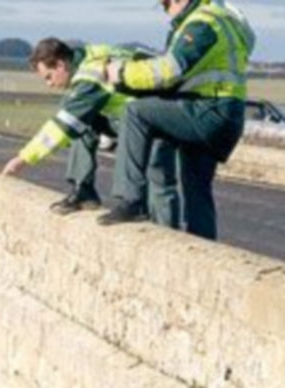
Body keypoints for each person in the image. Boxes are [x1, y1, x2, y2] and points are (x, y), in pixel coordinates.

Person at [99, 0, 256, 239]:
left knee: (136, 112)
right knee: (196, 188)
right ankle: (202, 245)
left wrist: (121, 72)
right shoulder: (224, 20)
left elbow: (168, 71)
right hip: (227, 113)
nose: (167, 14)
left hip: (209, 110)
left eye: (166, 6)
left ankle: (130, 201)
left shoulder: (202, 23)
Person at [2, 37, 179, 225]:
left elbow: (61, 126)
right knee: (83, 120)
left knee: (159, 182)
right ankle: (84, 191)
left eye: (49, 76)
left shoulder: (90, 78)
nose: (49, 84)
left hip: (153, 123)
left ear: (61, 65)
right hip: (141, 114)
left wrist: (23, 159)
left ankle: (164, 229)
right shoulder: (92, 55)